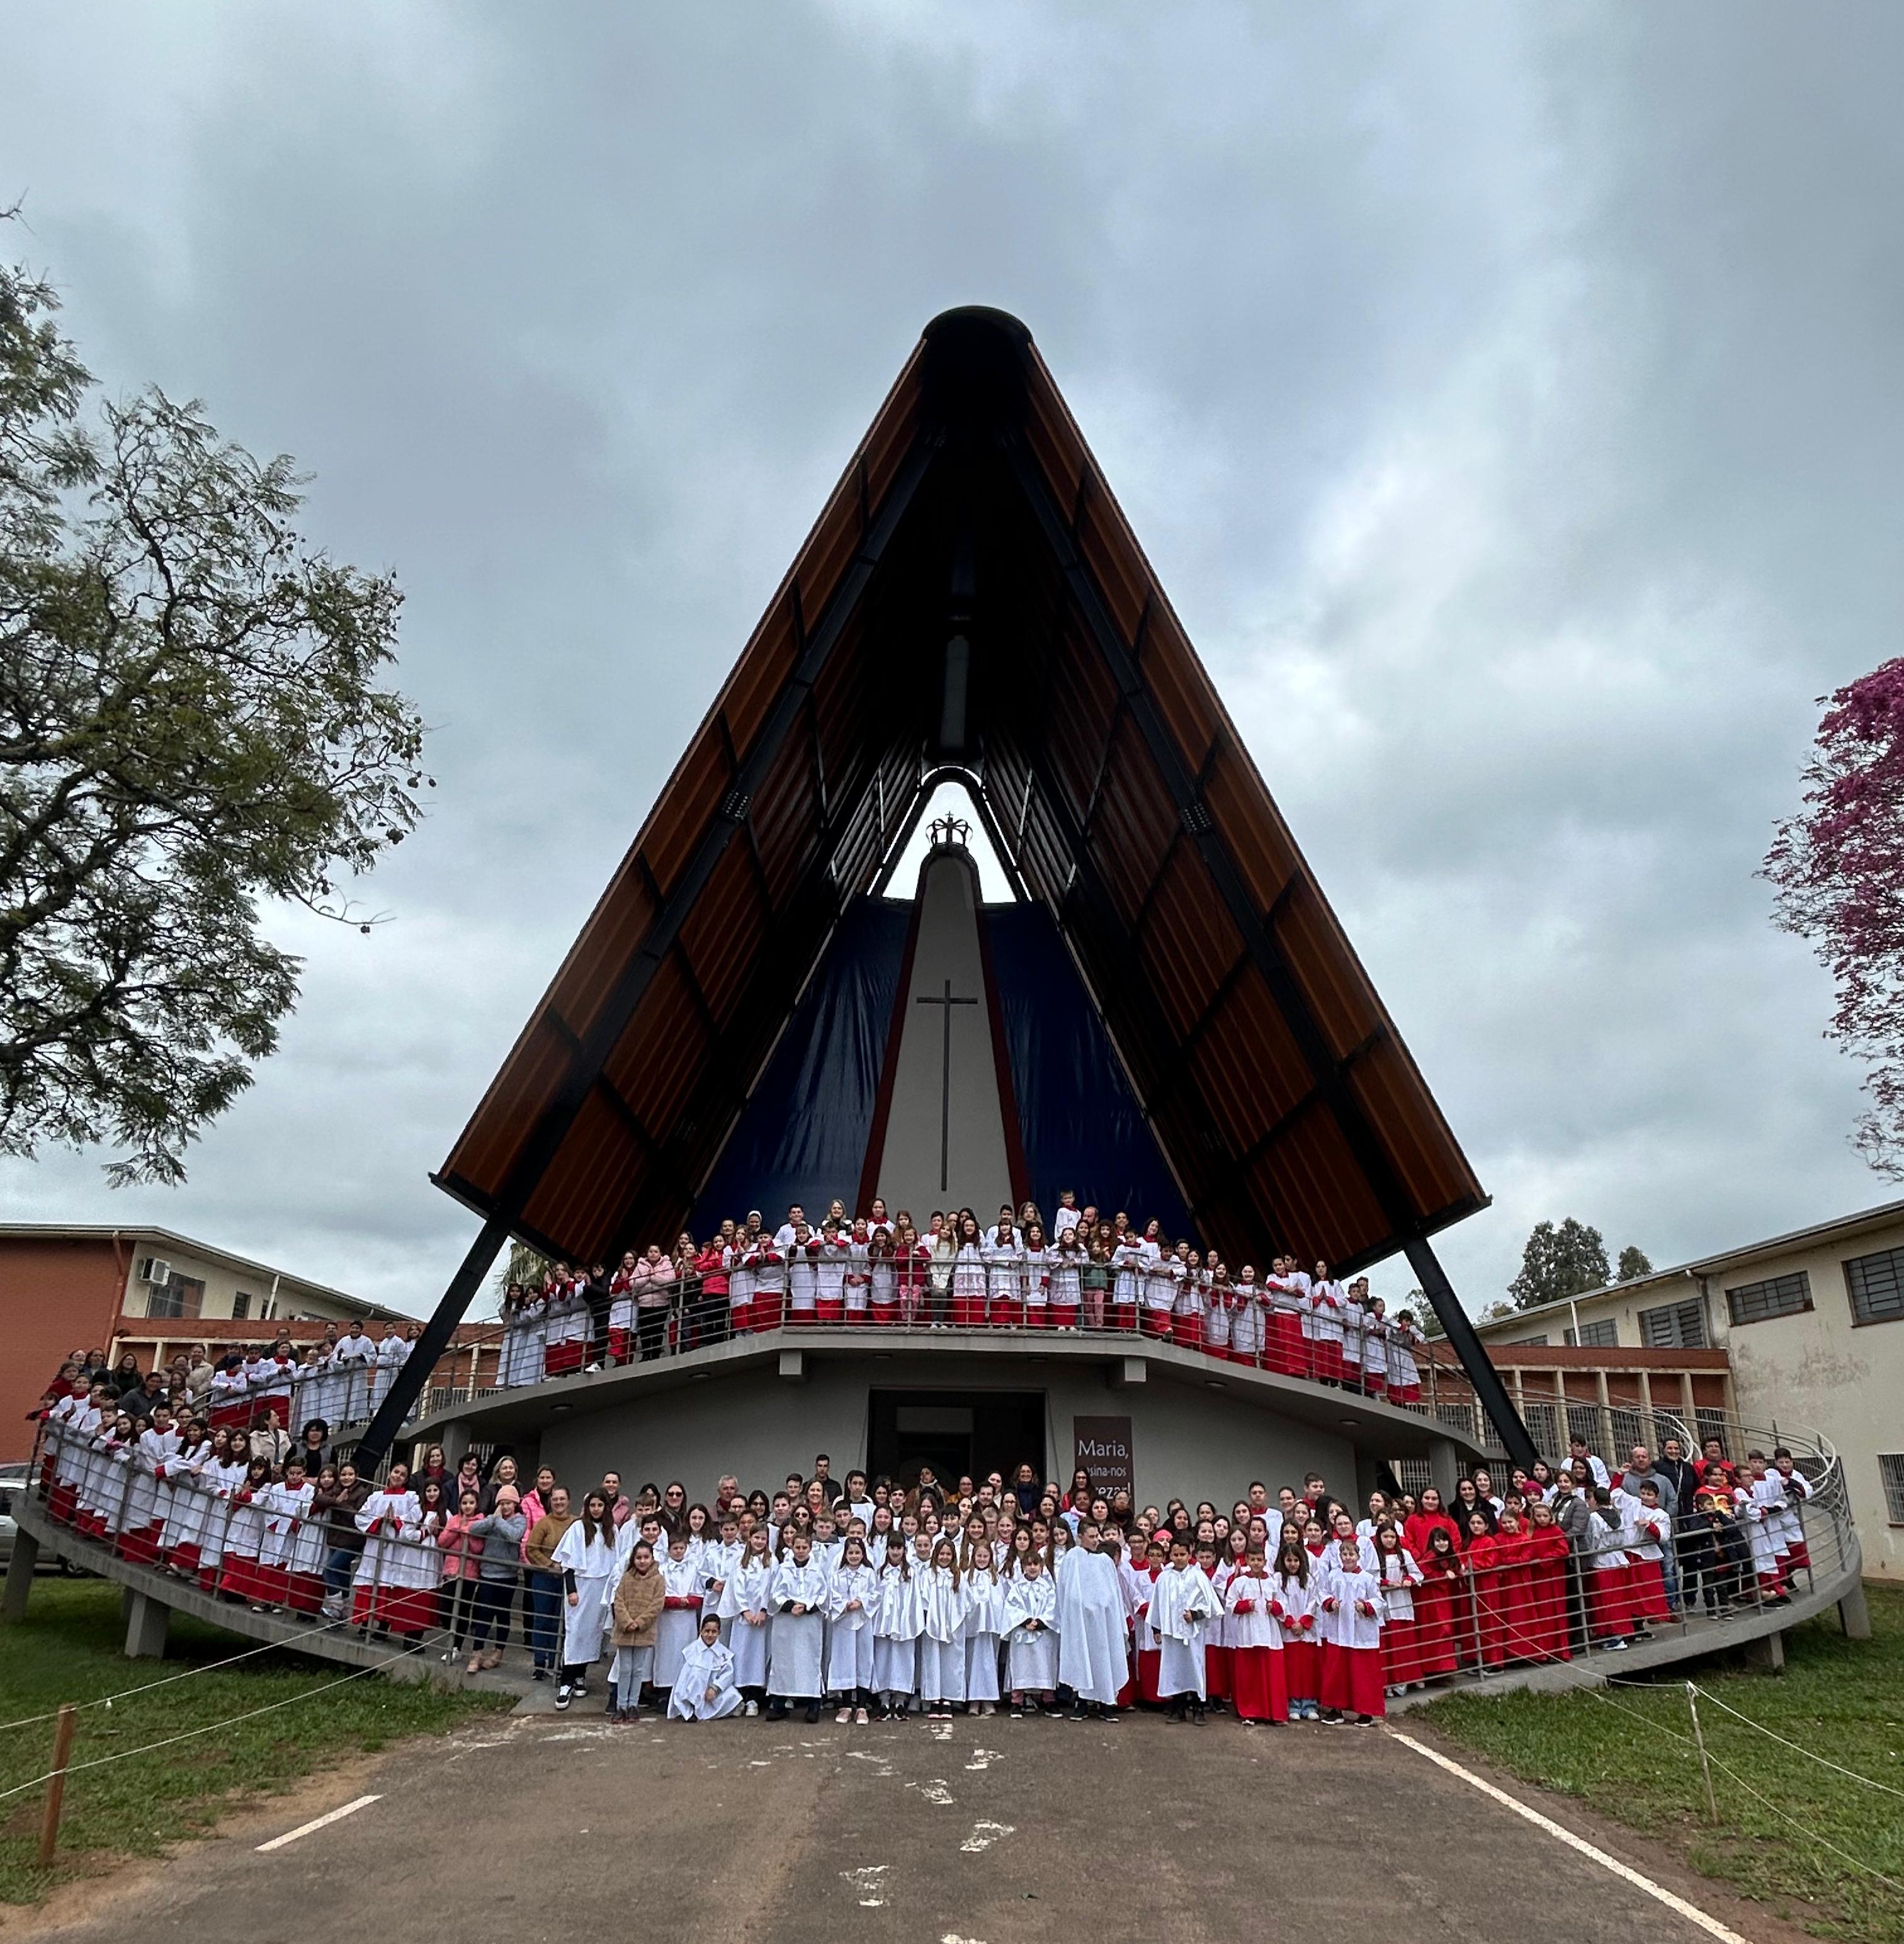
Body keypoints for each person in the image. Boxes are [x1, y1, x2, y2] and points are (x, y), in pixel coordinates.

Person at [1055, 1522, 1127, 1719]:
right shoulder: (1072, 1558)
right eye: (1092, 1536)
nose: (1096, 1540)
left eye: (1097, 1536)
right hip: (1080, 1620)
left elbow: (1113, 1593)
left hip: (1103, 1622)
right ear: (1080, 1537)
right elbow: (1064, 1589)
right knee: (1081, 1658)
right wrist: (1077, 1605)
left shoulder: (1105, 1561)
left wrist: (1104, 1606)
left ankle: (1106, 1702)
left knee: (1103, 1659)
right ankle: (1082, 1701)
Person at [553, 1489, 618, 1709]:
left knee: (593, 1634)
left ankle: (581, 1675)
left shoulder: (613, 1531)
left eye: (600, 1505)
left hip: (602, 1588)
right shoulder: (578, 1528)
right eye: (593, 1505)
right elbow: (568, 1565)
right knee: (576, 1633)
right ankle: (566, 1682)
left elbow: (616, 1564)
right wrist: (572, 1591)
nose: (597, 1509)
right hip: (581, 1588)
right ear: (588, 1508)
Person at [1151, 1535, 1219, 1723]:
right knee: (1175, 1669)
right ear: (1170, 1555)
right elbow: (1157, 1604)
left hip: (1193, 1632)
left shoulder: (1198, 1576)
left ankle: (1198, 1708)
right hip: (1172, 1633)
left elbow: (1210, 1604)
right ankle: (1178, 1708)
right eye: (1176, 1554)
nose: (1179, 1558)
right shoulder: (1164, 1578)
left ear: (1190, 1554)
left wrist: (1196, 1615)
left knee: (1195, 1668)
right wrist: (1156, 1628)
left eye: (1183, 1554)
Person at [767, 1530, 829, 1722]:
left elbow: (824, 1595)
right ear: (791, 1548)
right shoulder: (784, 1569)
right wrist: (789, 1606)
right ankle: (778, 1704)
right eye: (797, 1547)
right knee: (783, 1662)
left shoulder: (818, 1570)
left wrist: (808, 1607)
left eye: (804, 1548)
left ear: (810, 1548)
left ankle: (813, 1706)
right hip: (786, 1623)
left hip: (809, 1624)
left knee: (809, 1662)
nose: (801, 1551)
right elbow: (775, 1594)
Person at [608, 1538, 664, 1720]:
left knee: (638, 1669)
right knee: (625, 1668)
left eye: (646, 1557)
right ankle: (621, 1706)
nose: (642, 1561)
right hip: (625, 1630)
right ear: (633, 1559)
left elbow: (656, 1605)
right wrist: (626, 1622)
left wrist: (639, 1622)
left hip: (643, 1630)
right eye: (639, 1557)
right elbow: (619, 1601)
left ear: (652, 1558)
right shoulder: (626, 1578)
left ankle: (633, 1704)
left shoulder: (658, 1580)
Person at [827, 1533, 879, 1722]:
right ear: (845, 1554)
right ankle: (846, 1705)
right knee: (844, 1662)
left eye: (858, 1553)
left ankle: (862, 1707)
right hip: (844, 1623)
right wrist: (844, 1605)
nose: (854, 1556)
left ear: (863, 1554)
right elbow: (832, 1596)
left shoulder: (869, 1574)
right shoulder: (838, 1575)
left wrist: (861, 1602)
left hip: (863, 1622)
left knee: (863, 1660)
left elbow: (875, 1594)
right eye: (851, 1553)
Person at [669, 1613, 744, 1721]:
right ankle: (690, 1711)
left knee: (733, 1696)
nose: (710, 1635)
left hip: (713, 1692)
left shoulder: (723, 1653)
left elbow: (728, 1674)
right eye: (707, 1631)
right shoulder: (690, 1651)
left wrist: (715, 1688)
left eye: (714, 1632)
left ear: (719, 1633)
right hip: (693, 1689)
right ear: (701, 1631)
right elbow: (683, 1677)